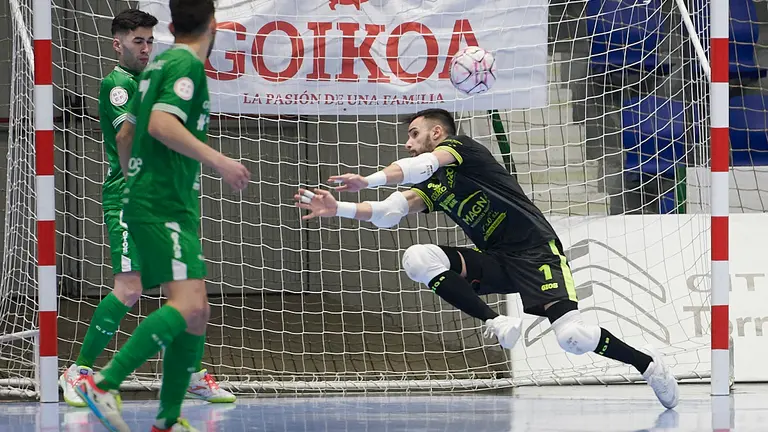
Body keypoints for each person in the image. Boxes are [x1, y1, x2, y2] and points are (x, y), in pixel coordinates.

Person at [295, 108, 679, 410]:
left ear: (437, 133)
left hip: (535, 251)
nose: (409, 144)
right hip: (494, 259)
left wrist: (370, 179)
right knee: (418, 257)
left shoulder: (462, 149)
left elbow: (420, 165)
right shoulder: (432, 185)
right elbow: (387, 213)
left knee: (573, 337)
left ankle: (647, 364)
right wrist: (338, 208)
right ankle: (495, 322)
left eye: (414, 134)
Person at [76, 1, 251, 431]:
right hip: (162, 203)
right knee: (181, 302)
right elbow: (157, 125)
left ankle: (168, 419)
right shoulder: (184, 67)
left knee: (196, 311)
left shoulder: (155, 69)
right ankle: (103, 381)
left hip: (161, 200)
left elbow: (131, 132)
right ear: (214, 25)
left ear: (170, 27)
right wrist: (221, 161)